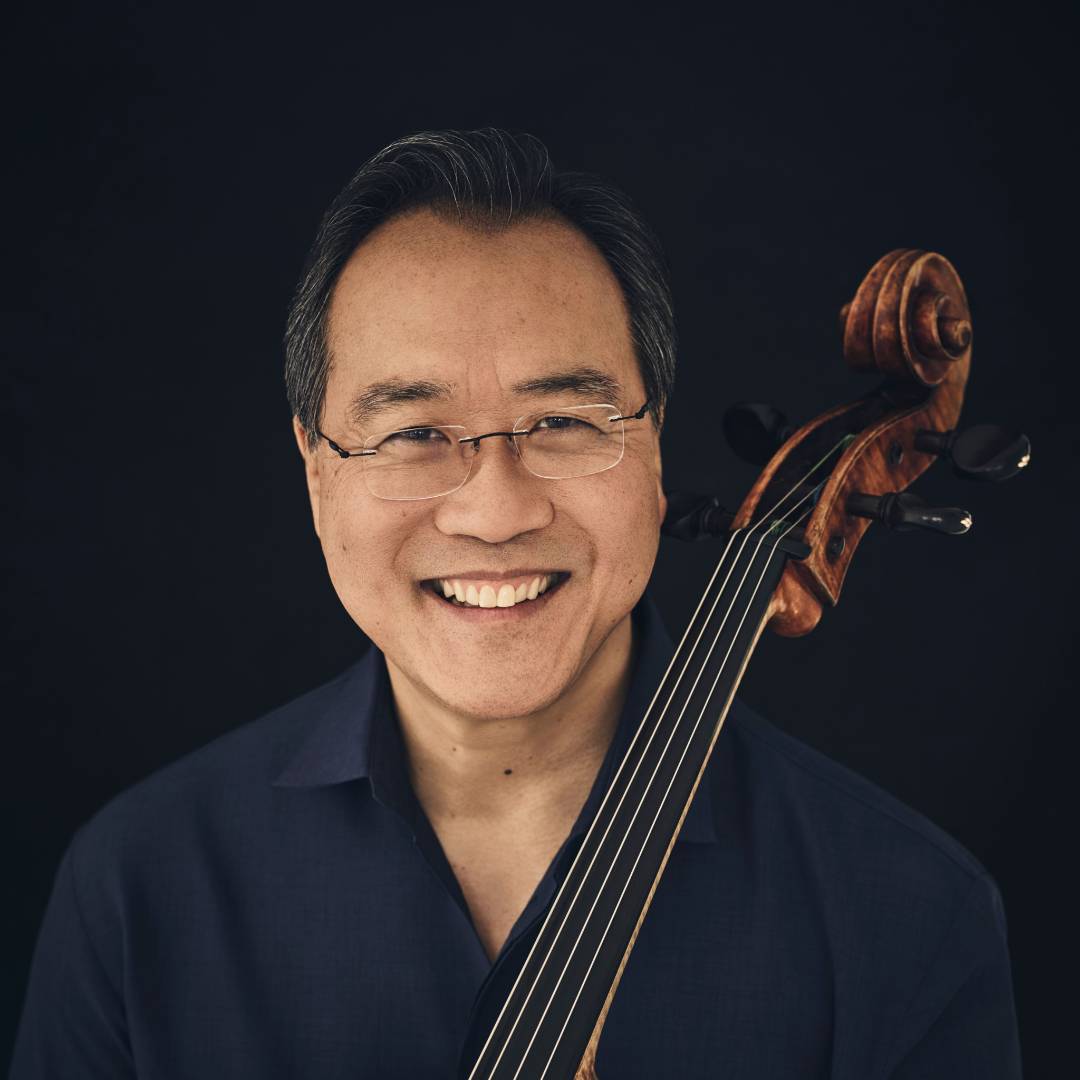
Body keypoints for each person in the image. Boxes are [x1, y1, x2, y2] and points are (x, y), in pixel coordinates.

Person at [9, 128, 1022, 1078]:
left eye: (565, 422)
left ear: (654, 453)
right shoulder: (139, 888)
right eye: (413, 433)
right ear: (316, 474)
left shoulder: (909, 916)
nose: (494, 510)